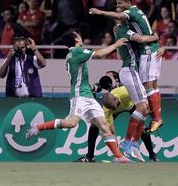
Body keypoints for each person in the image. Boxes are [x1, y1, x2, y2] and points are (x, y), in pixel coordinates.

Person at [26, 31, 132, 163]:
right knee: (71, 123)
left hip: (88, 95)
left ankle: (119, 157)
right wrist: (116, 44)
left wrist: (92, 88)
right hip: (79, 96)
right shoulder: (76, 52)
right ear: (76, 39)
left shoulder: (73, 54)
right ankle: (38, 127)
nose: (81, 37)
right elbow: (99, 54)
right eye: (79, 36)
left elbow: (80, 78)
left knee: (105, 126)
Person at [89, 0, 164, 133]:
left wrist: (100, 12)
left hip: (139, 61)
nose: (118, 7)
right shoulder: (124, 29)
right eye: (116, 5)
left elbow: (139, 34)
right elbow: (141, 37)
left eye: (120, 4)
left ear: (129, 2)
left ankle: (151, 125)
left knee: (148, 95)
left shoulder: (129, 19)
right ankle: (136, 136)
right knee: (145, 100)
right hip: (131, 68)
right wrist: (155, 38)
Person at [75, 72, 159, 163]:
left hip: (130, 104)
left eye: (109, 76)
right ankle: (90, 156)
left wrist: (153, 114)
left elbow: (144, 94)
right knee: (94, 125)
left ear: (117, 79)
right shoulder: (107, 105)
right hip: (114, 108)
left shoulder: (126, 87)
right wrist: (118, 154)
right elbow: (111, 131)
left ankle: (152, 155)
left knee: (140, 127)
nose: (106, 77)